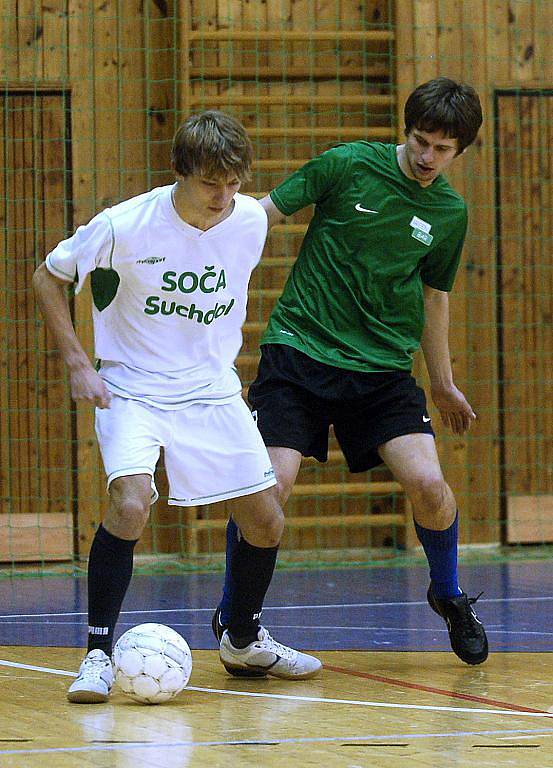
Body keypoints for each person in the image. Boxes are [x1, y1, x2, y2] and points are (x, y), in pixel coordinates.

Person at [33, 110, 322, 704]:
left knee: (266, 519)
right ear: (178, 174)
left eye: (235, 183)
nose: (223, 197)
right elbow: (47, 276)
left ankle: (241, 639)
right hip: (132, 385)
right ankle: (95, 653)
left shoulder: (246, 222)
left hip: (211, 388)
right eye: (210, 182)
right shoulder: (124, 225)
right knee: (132, 501)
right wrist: (77, 362)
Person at [214, 78, 488, 666]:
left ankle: (449, 594)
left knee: (431, 487)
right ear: (406, 130)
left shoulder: (448, 212)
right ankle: (237, 616)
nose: (426, 156)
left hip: (382, 371)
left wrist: (441, 381)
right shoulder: (346, 165)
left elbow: (434, 297)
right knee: (269, 492)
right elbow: (258, 215)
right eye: (420, 141)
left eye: (442, 149)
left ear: (459, 151)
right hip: (299, 353)